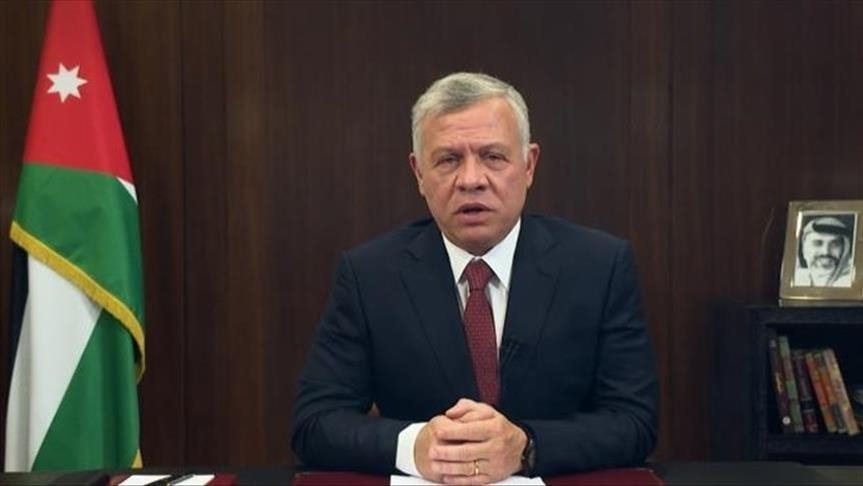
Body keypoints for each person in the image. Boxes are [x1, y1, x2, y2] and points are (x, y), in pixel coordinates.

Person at [291, 72, 658, 483]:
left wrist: (526, 446)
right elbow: (314, 423)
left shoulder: (599, 266)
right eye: (448, 160)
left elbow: (634, 422)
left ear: (529, 165)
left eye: (493, 156)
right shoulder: (370, 275)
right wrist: (413, 446)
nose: (471, 180)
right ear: (418, 173)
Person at [794, 215, 854, 288]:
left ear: (845, 249)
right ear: (804, 249)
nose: (825, 251)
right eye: (817, 243)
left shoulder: (852, 282)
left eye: (834, 244)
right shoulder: (797, 279)